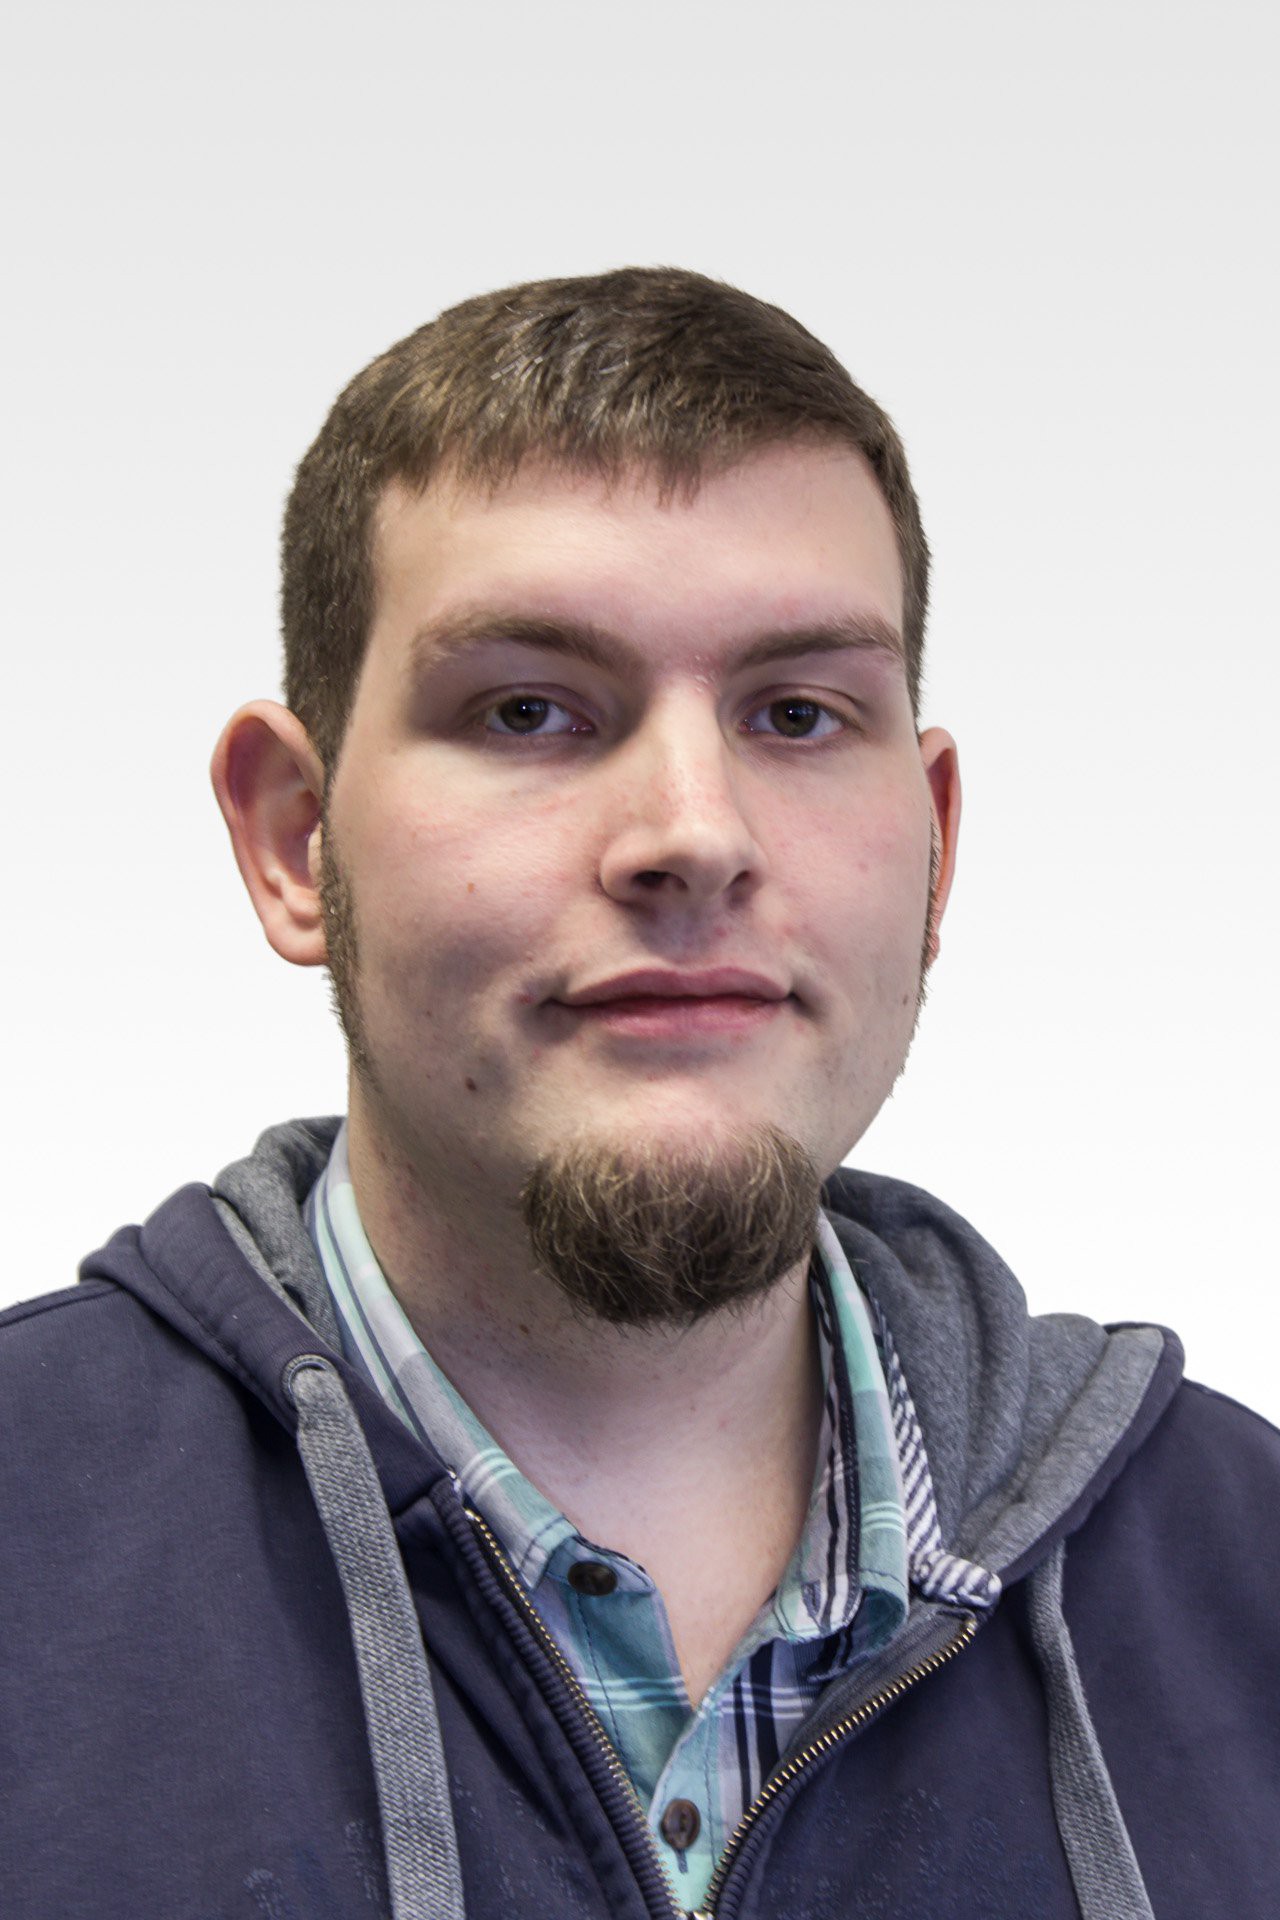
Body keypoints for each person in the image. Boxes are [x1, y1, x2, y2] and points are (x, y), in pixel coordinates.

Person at [2, 268, 1276, 1920]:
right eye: (530, 709)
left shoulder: (1245, 1569)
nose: (696, 832)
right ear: (293, 838)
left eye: (799, 713)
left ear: (936, 845)